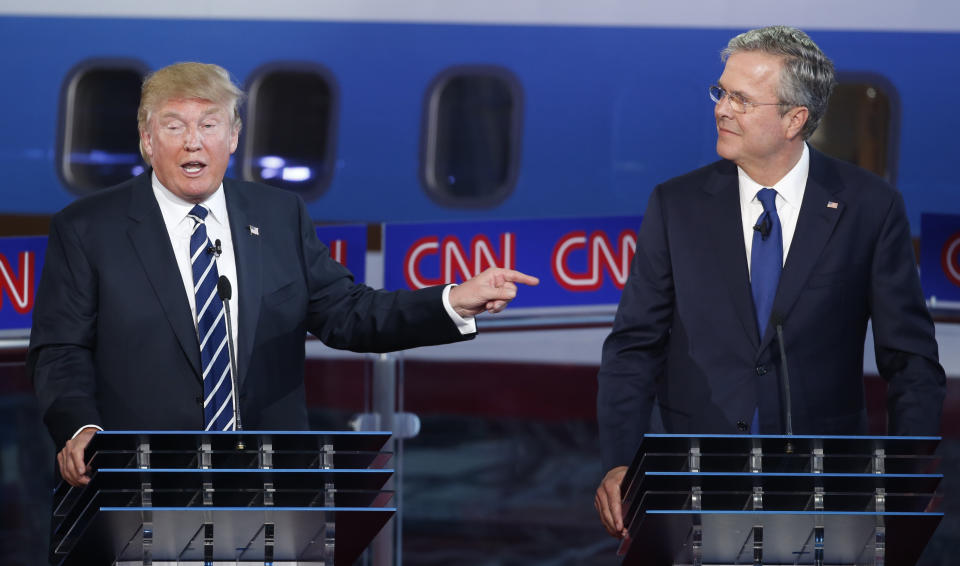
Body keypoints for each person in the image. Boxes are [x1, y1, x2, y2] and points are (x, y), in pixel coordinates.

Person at [28, 62, 539, 488]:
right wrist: (80, 427)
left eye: (209, 125)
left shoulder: (278, 215)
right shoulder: (89, 228)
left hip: (265, 486)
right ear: (146, 140)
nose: (193, 144)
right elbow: (61, 349)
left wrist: (452, 301)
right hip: (139, 484)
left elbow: (348, 313)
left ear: (233, 137)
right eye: (174, 126)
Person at [594, 26, 945, 537]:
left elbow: (911, 361)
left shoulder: (868, 207)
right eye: (721, 92)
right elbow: (632, 347)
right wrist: (619, 462)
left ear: (794, 119)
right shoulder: (676, 206)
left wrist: (905, 477)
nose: (722, 108)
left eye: (741, 98)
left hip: (825, 494)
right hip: (696, 490)